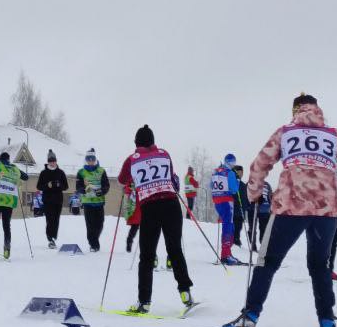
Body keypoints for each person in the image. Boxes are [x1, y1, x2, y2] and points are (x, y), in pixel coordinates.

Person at [223, 94, 337, 327]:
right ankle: (327, 321)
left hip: (291, 205)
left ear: (295, 110)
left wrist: (253, 194)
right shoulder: (332, 134)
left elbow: (259, 165)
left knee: (267, 261)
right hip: (326, 210)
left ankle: (249, 315)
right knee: (319, 265)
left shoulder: (285, 131)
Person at [117, 125, 193, 314]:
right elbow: (171, 174)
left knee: (147, 256)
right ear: (153, 141)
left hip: (151, 207)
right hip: (171, 204)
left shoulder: (132, 159)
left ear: (136, 143)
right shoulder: (164, 153)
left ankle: (144, 302)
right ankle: (186, 293)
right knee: (175, 249)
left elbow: (121, 179)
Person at [76, 148, 110, 252]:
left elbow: (106, 185)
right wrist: (84, 190)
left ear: (95, 159)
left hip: (99, 202)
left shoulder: (101, 171)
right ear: (86, 160)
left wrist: (102, 191)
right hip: (87, 203)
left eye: (92, 159)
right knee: (90, 225)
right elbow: (78, 186)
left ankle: (94, 240)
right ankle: (93, 245)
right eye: (88, 159)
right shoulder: (81, 172)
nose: (90, 161)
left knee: (100, 223)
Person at [210, 154, 241, 264]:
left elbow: (211, 186)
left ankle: (227, 253)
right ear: (231, 163)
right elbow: (234, 190)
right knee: (229, 226)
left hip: (217, 201)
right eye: (233, 163)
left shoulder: (215, 171)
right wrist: (237, 181)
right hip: (227, 201)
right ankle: (226, 255)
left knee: (228, 225)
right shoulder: (230, 173)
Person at [37, 151, 68, 248]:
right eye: (50, 161)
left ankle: (54, 237)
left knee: (56, 219)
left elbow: (66, 186)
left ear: (56, 161)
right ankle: (50, 238)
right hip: (47, 200)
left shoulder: (61, 172)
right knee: (49, 220)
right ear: (48, 162)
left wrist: (59, 185)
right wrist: (47, 185)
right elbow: (39, 186)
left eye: (53, 161)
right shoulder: (43, 173)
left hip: (58, 200)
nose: (52, 163)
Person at [232, 165, 246, 247]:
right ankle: (234, 240)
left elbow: (245, 198)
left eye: (242, 172)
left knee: (239, 226)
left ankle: (236, 239)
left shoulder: (243, 185)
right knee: (234, 226)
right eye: (240, 172)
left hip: (241, 210)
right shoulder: (233, 183)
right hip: (234, 209)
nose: (242, 174)